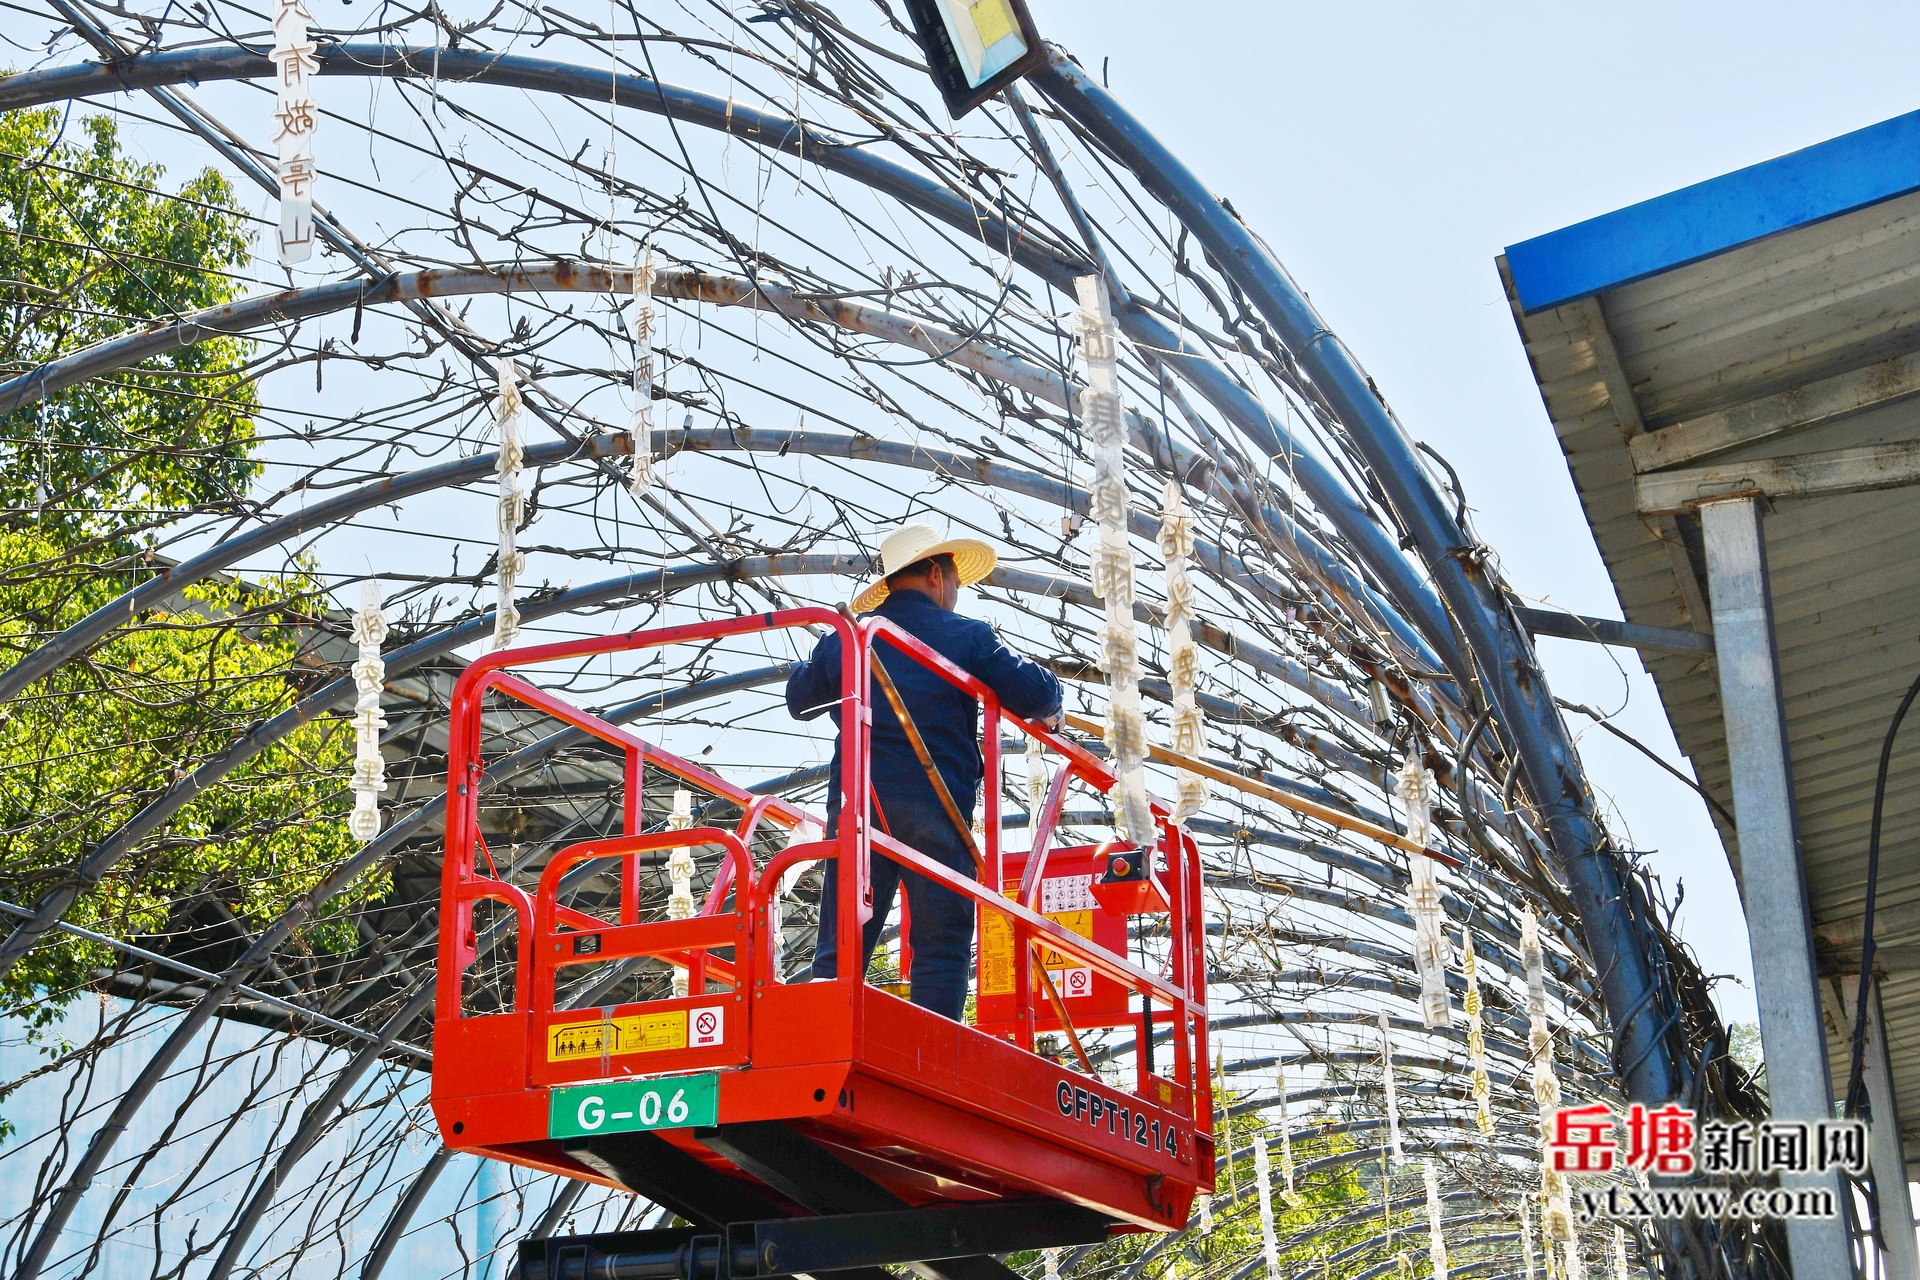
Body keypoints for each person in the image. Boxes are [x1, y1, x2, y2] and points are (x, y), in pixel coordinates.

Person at [786, 522, 1064, 1020]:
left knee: (843, 940)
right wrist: (1055, 704)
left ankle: (823, 1030)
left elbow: (799, 700)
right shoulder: (967, 636)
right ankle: (935, 1043)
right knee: (941, 945)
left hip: (859, 806)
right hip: (938, 808)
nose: (956, 592)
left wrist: (832, 657)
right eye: (955, 581)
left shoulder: (852, 635)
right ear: (936, 575)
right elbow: (1036, 693)